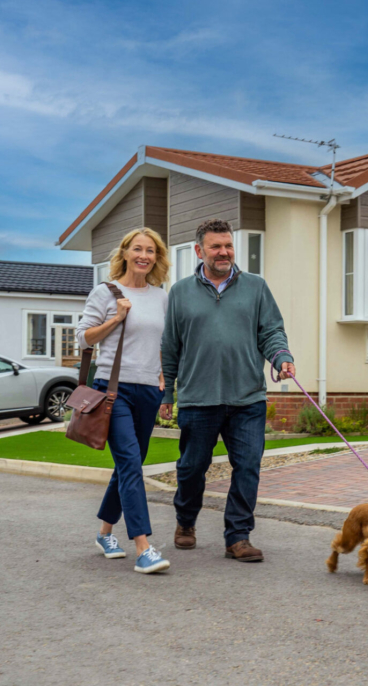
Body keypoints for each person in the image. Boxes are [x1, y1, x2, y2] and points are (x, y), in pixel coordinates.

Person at [160, 218, 295, 562]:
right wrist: (167, 393)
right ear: (199, 250)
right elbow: (170, 347)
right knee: (192, 467)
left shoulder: (256, 287)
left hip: (247, 397)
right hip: (198, 398)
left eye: (228, 245)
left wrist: (281, 357)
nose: (224, 252)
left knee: (247, 466)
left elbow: (271, 332)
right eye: (216, 246)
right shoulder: (180, 292)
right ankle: (186, 520)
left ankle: (238, 536)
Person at [77, 228, 171, 574]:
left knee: (129, 464)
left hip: (148, 391)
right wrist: (116, 318)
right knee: (131, 464)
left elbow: (162, 342)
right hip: (112, 390)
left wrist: (164, 377)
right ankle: (144, 548)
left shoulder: (161, 297)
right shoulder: (105, 292)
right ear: (126, 253)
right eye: (138, 249)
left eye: (151, 251)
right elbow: (83, 339)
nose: (144, 255)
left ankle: (104, 533)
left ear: (156, 258)